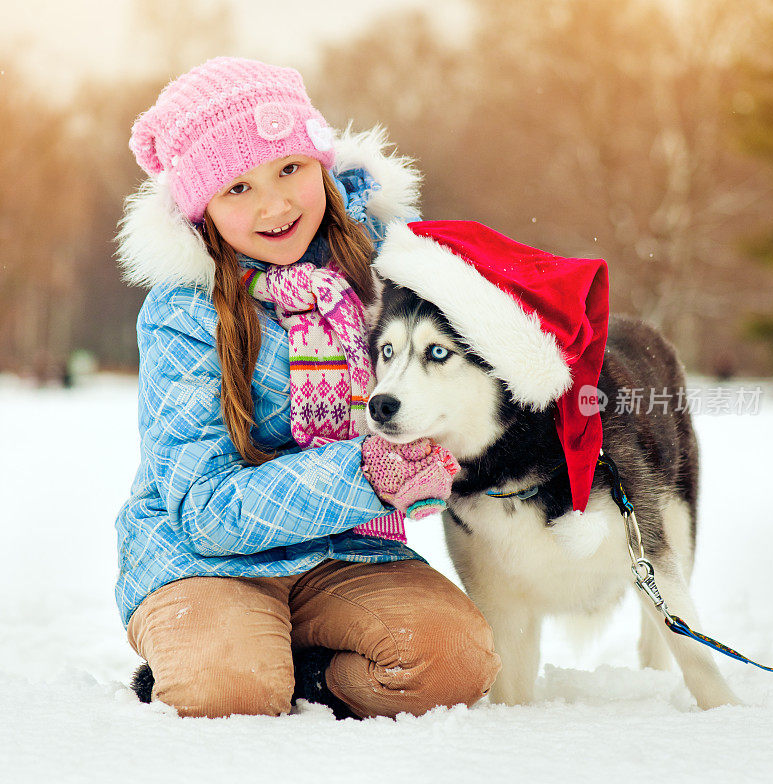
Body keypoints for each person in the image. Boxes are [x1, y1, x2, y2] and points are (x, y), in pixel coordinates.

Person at [115, 56, 500, 720]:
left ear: (320, 161)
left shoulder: (387, 271)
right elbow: (205, 510)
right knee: (228, 692)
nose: (275, 204)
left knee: (453, 659)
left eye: (289, 169)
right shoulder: (183, 313)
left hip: (345, 548)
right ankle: (223, 649)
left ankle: (306, 670)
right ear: (200, 209)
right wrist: (370, 469)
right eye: (237, 188)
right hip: (201, 556)